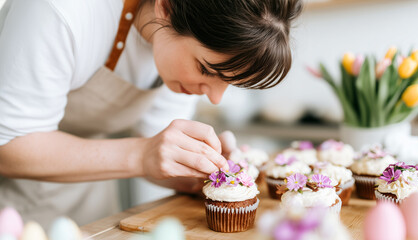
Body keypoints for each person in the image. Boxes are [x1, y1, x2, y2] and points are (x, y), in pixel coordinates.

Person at [0, 0, 303, 227]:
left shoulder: (169, 50)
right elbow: (8, 146)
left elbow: (156, 142)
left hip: (90, 197)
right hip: (11, 206)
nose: (214, 98)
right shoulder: (61, 11)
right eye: (206, 70)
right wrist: (142, 155)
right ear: (166, 8)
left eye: (227, 83)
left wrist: (196, 173)